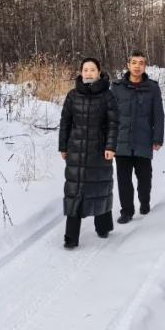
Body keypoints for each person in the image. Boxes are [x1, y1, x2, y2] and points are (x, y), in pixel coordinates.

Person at [59, 57, 119, 248]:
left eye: (92, 69)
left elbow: (113, 124)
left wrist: (110, 147)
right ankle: (71, 237)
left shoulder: (108, 96)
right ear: (81, 72)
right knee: (74, 191)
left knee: (100, 188)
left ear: (99, 72)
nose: (89, 73)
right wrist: (63, 147)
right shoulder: (72, 95)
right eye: (85, 70)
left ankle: (103, 227)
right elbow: (65, 123)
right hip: (76, 150)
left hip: (99, 151)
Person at [111, 51, 165, 223]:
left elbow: (158, 115)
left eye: (141, 63)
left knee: (144, 178)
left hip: (143, 140)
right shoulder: (117, 87)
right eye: (134, 62)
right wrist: (109, 140)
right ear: (128, 65)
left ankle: (145, 200)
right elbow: (110, 115)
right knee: (123, 180)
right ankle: (126, 211)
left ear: (145, 66)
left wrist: (157, 138)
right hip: (122, 141)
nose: (137, 66)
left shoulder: (152, 88)